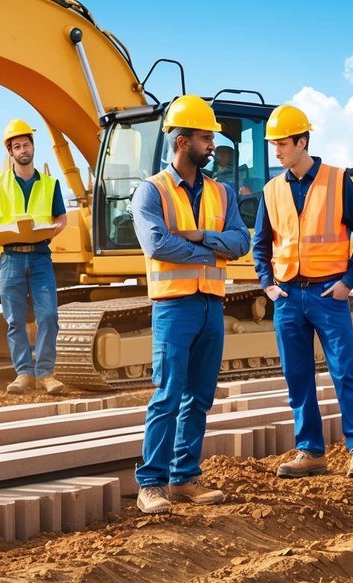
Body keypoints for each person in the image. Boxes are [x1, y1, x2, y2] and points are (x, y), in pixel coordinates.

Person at [131, 95, 250, 514]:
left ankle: (184, 477)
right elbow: (158, 244)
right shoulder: (151, 192)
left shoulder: (223, 193)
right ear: (182, 142)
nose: (212, 144)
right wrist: (213, 249)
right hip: (173, 307)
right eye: (205, 137)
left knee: (199, 395)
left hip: (211, 307)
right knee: (167, 395)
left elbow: (243, 241)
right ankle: (151, 483)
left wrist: (199, 239)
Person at [252, 104, 353, 479]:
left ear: (302, 142)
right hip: (288, 296)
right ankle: (310, 451)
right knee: (298, 376)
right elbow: (261, 243)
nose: (277, 151)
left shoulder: (339, 181)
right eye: (274, 145)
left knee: (344, 371)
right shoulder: (272, 189)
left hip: (328, 295)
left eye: (282, 144)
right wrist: (267, 285)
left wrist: (347, 283)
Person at [0, 118, 68, 395]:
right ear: (10, 152)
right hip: (11, 258)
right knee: (14, 320)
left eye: (26, 144)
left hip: (41, 255)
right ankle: (23, 373)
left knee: (48, 316)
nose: (23, 150)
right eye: (17, 146)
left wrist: (53, 230)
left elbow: (62, 218)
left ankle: (46, 373)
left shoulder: (50, 183)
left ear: (33, 147)